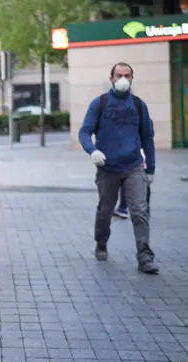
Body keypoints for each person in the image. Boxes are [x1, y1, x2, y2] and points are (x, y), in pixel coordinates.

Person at [78, 62, 158, 274]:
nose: (123, 78)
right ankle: (101, 242)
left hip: (133, 167)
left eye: (127, 75)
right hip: (108, 168)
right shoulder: (100, 103)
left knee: (140, 210)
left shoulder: (139, 106)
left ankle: (144, 255)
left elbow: (147, 138)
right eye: (119, 75)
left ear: (132, 78)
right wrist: (92, 150)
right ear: (111, 78)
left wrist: (150, 169)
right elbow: (84, 132)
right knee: (105, 210)